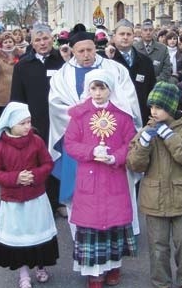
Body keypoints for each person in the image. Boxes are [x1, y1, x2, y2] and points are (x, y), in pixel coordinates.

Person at [48, 31, 142, 226]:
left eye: (89, 49)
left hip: (114, 139)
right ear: (72, 50)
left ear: (95, 48)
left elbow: (128, 100)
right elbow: (56, 104)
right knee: (82, 187)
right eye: (80, 51)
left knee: (116, 187)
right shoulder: (62, 75)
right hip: (82, 142)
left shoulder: (115, 69)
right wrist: (86, 115)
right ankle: (83, 228)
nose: (86, 55)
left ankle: (119, 228)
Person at [64, 69, 137, 288]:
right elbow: (70, 143)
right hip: (90, 178)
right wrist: (90, 151)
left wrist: (116, 157)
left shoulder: (123, 116)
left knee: (114, 224)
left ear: (110, 89)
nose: (97, 93)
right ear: (88, 89)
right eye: (93, 88)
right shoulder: (79, 116)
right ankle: (94, 276)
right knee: (92, 226)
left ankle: (114, 265)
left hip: (114, 176)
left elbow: (131, 142)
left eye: (102, 87)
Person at [126, 82, 182, 288]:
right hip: (154, 197)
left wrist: (169, 136)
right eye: (152, 107)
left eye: (159, 107)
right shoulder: (146, 130)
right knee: (158, 246)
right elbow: (134, 164)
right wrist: (145, 143)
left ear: (171, 107)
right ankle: (161, 283)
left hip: (181, 197)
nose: (154, 111)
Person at [0, 102, 59, 288]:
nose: (28, 126)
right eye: (23, 123)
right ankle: (24, 273)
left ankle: (41, 265)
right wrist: (16, 178)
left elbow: (47, 163)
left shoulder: (36, 141)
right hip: (13, 200)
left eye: (29, 122)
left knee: (38, 232)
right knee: (20, 238)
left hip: (36, 197)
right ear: (11, 124)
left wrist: (34, 175)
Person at [11, 24, 67, 218]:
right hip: (35, 122)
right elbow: (17, 98)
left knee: (58, 159)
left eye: (45, 39)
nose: (42, 43)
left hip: (60, 121)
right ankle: (42, 202)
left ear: (52, 39)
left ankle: (59, 201)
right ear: (32, 42)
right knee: (39, 161)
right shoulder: (23, 66)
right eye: (38, 40)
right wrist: (19, 123)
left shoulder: (63, 61)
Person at [105, 19, 156, 126]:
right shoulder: (106, 61)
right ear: (114, 37)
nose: (125, 37)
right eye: (121, 34)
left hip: (142, 115)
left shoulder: (145, 61)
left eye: (128, 34)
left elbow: (152, 90)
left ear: (134, 36)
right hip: (115, 118)